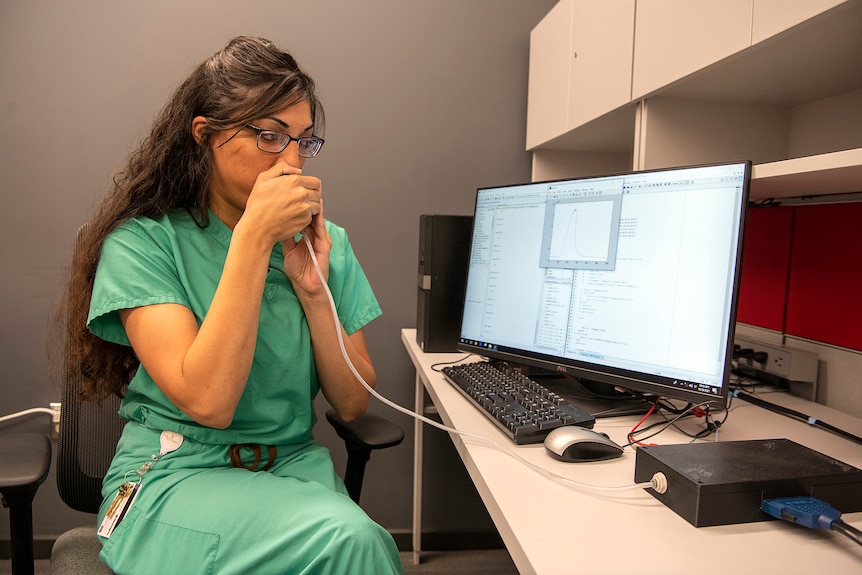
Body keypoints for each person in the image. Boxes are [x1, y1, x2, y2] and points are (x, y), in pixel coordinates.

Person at [57, 35, 403, 574]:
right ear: (205, 135)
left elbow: (354, 404)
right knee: (352, 542)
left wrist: (313, 290)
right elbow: (210, 401)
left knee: (349, 540)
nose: (291, 158)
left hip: (292, 472)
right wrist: (252, 240)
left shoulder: (323, 245)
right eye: (269, 135)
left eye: (304, 140)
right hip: (177, 473)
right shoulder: (143, 244)